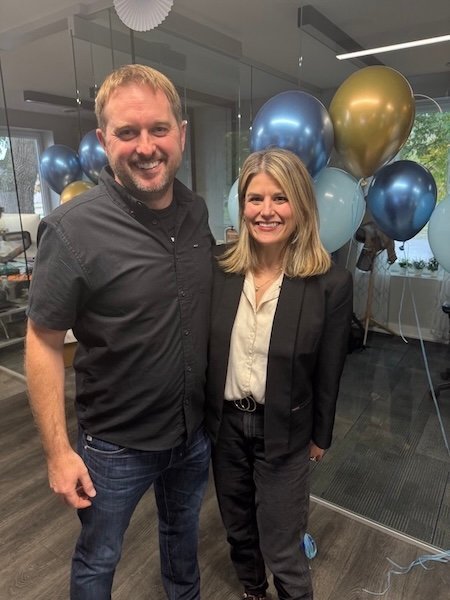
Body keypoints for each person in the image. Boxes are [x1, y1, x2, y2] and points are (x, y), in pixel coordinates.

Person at [25, 64, 214, 600]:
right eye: (127, 132)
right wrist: (58, 452)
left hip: (192, 434)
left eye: (159, 129)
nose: (146, 147)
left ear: (181, 135)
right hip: (114, 448)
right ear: (104, 140)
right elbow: (42, 342)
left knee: (182, 538)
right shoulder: (72, 228)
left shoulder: (196, 212)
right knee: (99, 557)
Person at [206, 148, 353, 600]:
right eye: (255, 199)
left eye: (280, 198)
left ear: (300, 205)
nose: (266, 211)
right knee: (238, 527)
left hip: (285, 430)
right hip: (226, 427)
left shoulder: (330, 283)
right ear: (242, 206)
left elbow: (330, 366)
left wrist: (321, 434)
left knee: (282, 543)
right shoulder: (218, 267)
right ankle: (252, 590)